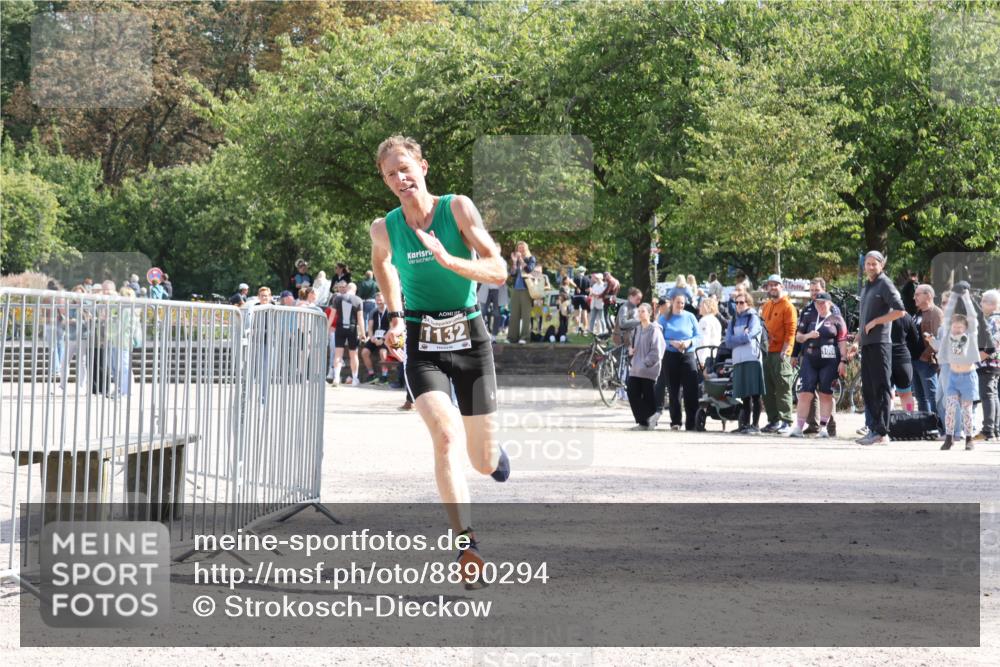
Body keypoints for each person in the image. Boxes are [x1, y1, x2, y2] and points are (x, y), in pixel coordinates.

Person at [369, 134, 509, 589]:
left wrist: (451, 260)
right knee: (445, 436)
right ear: (385, 180)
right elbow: (383, 265)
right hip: (422, 343)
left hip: (469, 338)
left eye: (406, 168)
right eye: (391, 173)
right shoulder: (385, 227)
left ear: (423, 166)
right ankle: (465, 545)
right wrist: (394, 315)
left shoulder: (458, 209)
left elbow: (498, 268)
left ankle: (492, 459)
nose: (400, 178)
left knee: (482, 460)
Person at [855, 250, 906, 446]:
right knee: (869, 388)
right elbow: (864, 319)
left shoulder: (885, 283)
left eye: (874, 264)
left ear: (881, 265)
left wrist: (877, 321)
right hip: (867, 343)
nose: (870, 267)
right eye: (867, 263)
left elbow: (900, 311)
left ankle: (882, 432)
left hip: (881, 343)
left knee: (881, 387)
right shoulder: (868, 285)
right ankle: (874, 429)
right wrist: (856, 340)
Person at [788, 292, 848, 438]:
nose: (820, 306)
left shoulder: (837, 319)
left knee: (826, 394)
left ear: (830, 304)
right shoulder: (809, 316)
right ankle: (799, 427)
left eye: (823, 303)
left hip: (830, 361)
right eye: (817, 303)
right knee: (805, 393)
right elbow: (799, 337)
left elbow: (842, 342)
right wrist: (809, 335)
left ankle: (823, 428)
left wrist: (843, 361)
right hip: (810, 359)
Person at [654, 293, 700, 430]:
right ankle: (676, 421)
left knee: (691, 390)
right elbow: (659, 338)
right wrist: (671, 343)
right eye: (678, 302)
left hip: (688, 354)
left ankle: (692, 422)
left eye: (682, 303)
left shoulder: (690, 317)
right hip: (671, 355)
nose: (680, 305)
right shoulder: (664, 318)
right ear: (672, 302)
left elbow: (698, 336)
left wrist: (689, 342)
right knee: (673, 391)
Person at [760, 274, 797, 435]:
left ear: (781, 286)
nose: (773, 287)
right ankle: (773, 420)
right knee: (766, 388)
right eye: (770, 285)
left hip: (781, 353)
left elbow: (791, 332)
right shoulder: (767, 305)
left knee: (783, 387)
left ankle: (786, 421)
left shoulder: (788, 307)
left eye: (776, 285)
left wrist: (786, 351)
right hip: (767, 352)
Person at [725, 292, 766, 434]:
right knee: (744, 395)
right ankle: (745, 425)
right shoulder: (733, 320)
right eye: (736, 303)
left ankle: (755, 425)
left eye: (742, 302)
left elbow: (750, 336)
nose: (738, 305)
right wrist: (742, 336)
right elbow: (727, 341)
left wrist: (738, 338)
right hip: (738, 360)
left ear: (748, 303)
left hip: (752, 358)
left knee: (755, 394)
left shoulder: (753, 318)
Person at [626, 303, 666, 430]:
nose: (640, 313)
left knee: (648, 396)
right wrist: (631, 352)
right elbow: (634, 346)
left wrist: (645, 363)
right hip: (636, 369)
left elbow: (658, 350)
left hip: (649, 369)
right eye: (639, 311)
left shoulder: (655, 329)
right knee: (632, 392)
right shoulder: (637, 329)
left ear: (649, 313)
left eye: (643, 311)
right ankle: (647, 419)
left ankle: (646, 423)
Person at [910, 284, 944, 415]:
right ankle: (925, 424)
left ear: (928, 295)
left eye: (917, 294)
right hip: (914, 359)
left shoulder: (936, 313)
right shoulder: (917, 312)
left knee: (932, 395)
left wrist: (925, 356)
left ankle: (938, 425)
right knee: (920, 397)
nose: (914, 297)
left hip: (926, 361)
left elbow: (937, 338)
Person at [328, 282, 364, 386]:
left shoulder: (337, 298)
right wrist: (362, 332)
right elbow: (360, 318)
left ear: (347, 288)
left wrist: (327, 327)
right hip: (352, 328)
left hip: (340, 328)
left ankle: (336, 378)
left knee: (338, 353)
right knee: (353, 354)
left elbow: (332, 315)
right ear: (355, 290)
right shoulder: (358, 300)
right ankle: (355, 379)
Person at [976, 289, 1000, 441]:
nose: (980, 304)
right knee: (993, 395)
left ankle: (988, 430)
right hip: (995, 362)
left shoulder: (992, 321)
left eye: (983, 301)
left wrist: (978, 358)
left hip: (989, 361)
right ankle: (995, 429)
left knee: (988, 395)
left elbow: (992, 343)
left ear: (992, 304)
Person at [889, 313, 920, 412]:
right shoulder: (906, 317)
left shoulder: (881, 315)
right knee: (906, 395)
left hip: (885, 359)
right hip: (903, 360)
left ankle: (887, 422)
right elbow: (915, 339)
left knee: (888, 394)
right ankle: (909, 417)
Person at [507, 241, 536, 344]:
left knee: (525, 315)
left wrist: (521, 260)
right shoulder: (517, 261)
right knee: (514, 314)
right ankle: (512, 337)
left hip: (526, 290)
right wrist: (514, 262)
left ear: (526, 249)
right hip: (516, 289)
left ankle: (525, 337)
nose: (520, 250)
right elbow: (513, 274)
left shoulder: (531, 259)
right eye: (519, 248)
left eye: (522, 248)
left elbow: (529, 269)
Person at [361, 292, 392, 383]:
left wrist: (383, 339)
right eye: (377, 300)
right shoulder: (373, 311)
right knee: (364, 352)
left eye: (380, 300)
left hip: (386, 337)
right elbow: (370, 328)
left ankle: (384, 376)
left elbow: (391, 328)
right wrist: (372, 338)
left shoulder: (389, 312)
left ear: (385, 301)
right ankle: (371, 374)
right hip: (375, 337)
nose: (378, 302)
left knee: (383, 353)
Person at [696, 297, 722, 369]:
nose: (699, 307)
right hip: (714, 355)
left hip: (706, 357)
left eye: (701, 305)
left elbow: (704, 341)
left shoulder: (704, 320)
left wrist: (701, 360)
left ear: (705, 306)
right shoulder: (716, 320)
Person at [572, 266, 591, 334]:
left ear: (578, 271)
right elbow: (588, 289)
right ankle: (585, 328)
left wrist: (577, 288)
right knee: (584, 313)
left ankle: (576, 328)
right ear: (584, 272)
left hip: (576, 297)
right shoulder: (587, 279)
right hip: (584, 297)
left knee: (576, 313)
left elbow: (573, 285)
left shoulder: (575, 278)